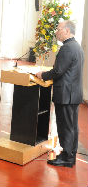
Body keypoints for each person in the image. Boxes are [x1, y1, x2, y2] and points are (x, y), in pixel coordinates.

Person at [36, 20, 84, 168]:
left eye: (59, 29)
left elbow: (58, 71)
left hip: (66, 95)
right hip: (72, 94)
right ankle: (70, 154)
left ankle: (67, 158)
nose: (56, 31)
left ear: (67, 31)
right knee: (72, 126)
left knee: (65, 127)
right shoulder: (76, 47)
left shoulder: (68, 48)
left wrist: (42, 75)